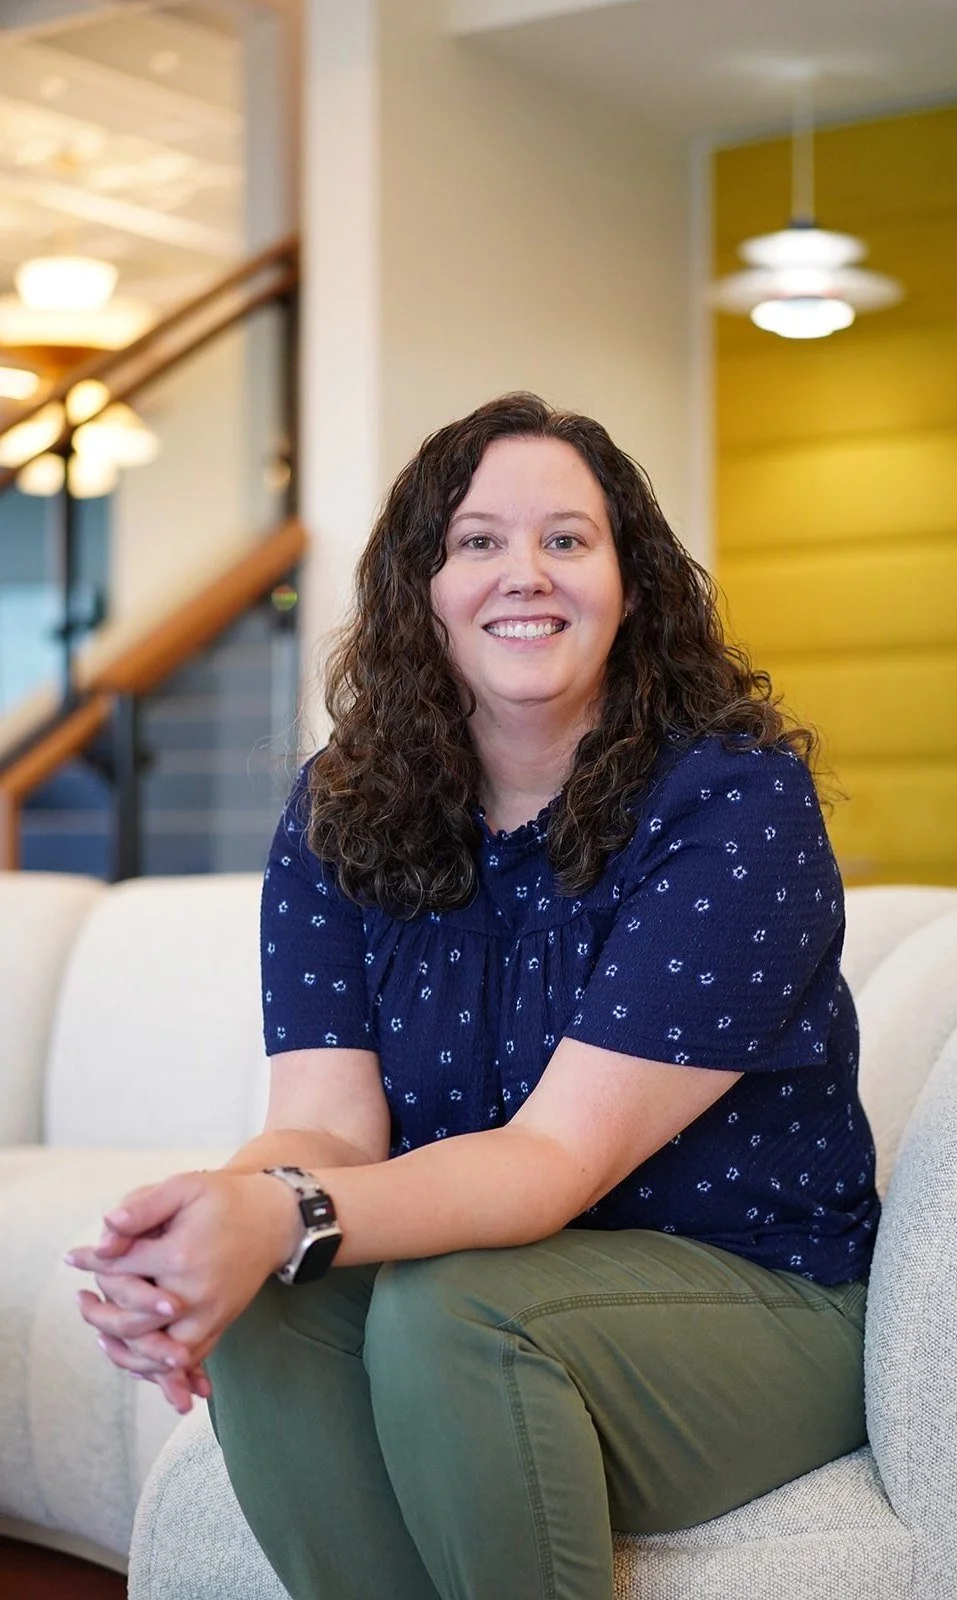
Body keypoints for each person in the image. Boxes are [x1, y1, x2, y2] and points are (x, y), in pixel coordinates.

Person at [68, 393, 880, 1600]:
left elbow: (550, 1161)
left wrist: (279, 1217)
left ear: (630, 583)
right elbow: (330, 1128)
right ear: (420, 589)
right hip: (482, 1291)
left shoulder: (731, 806)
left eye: (568, 538)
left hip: (756, 1301)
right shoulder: (338, 814)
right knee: (274, 1314)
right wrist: (210, 1224)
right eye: (476, 541)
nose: (525, 574)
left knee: (451, 1311)